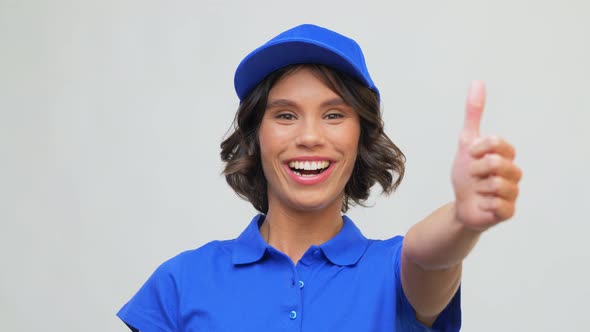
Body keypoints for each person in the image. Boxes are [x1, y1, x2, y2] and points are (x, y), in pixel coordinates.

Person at [117, 24, 522, 331]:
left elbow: (426, 257)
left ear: (361, 135)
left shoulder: (394, 272)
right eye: (285, 115)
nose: (310, 137)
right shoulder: (182, 281)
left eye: (334, 114)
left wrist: (461, 220)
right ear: (256, 137)